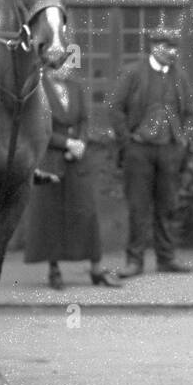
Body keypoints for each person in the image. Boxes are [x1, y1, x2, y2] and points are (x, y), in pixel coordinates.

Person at [23, 66, 121, 289]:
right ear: (49, 66)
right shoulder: (37, 92)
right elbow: (37, 127)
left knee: (86, 211)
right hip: (49, 160)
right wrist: (66, 143)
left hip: (77, 160)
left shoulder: (76, 87)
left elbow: (85, 120)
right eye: (62, 64)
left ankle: (96, 270)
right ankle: (54, 270)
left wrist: (81, 143)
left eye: (69, 63)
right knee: (51, 214)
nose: (68, 68)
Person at [111, 28, 193, 276]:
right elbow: (115, 109)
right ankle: (134, 261)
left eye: (175, 47)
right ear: (154, 47)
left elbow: (189, 111)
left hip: (169, 150)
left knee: (168, 205)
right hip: (139, 151)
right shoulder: (133, 72)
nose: (173, 52)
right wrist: (128, 141)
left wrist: (183, 141)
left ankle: (166, 259)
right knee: (138, 206)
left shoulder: (180, 76)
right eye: (168, 47)